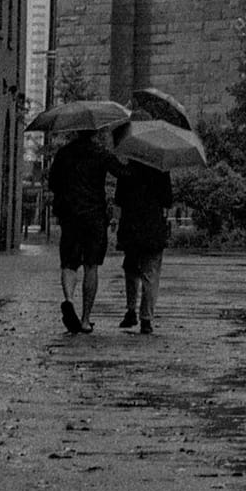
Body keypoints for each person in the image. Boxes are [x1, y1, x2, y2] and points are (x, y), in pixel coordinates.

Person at [45, 124, 130, 334]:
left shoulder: (64, 154)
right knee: (91, 266)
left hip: (70, 215)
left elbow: (53, 183)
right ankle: (85, 320)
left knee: (69, 263)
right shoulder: (101, 153)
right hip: (94, 217)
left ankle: (68, 300)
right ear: (95, 132)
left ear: (75, 130)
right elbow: (122, 173)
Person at [113, 156, 174, 334]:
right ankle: (146, 318)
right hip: (153, 227)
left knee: (131, 268)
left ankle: (131, 309)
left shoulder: (127, 170)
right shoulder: (161, 171)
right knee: (151, 273)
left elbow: (119, 200)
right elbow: (168, 200)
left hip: (131, 226)